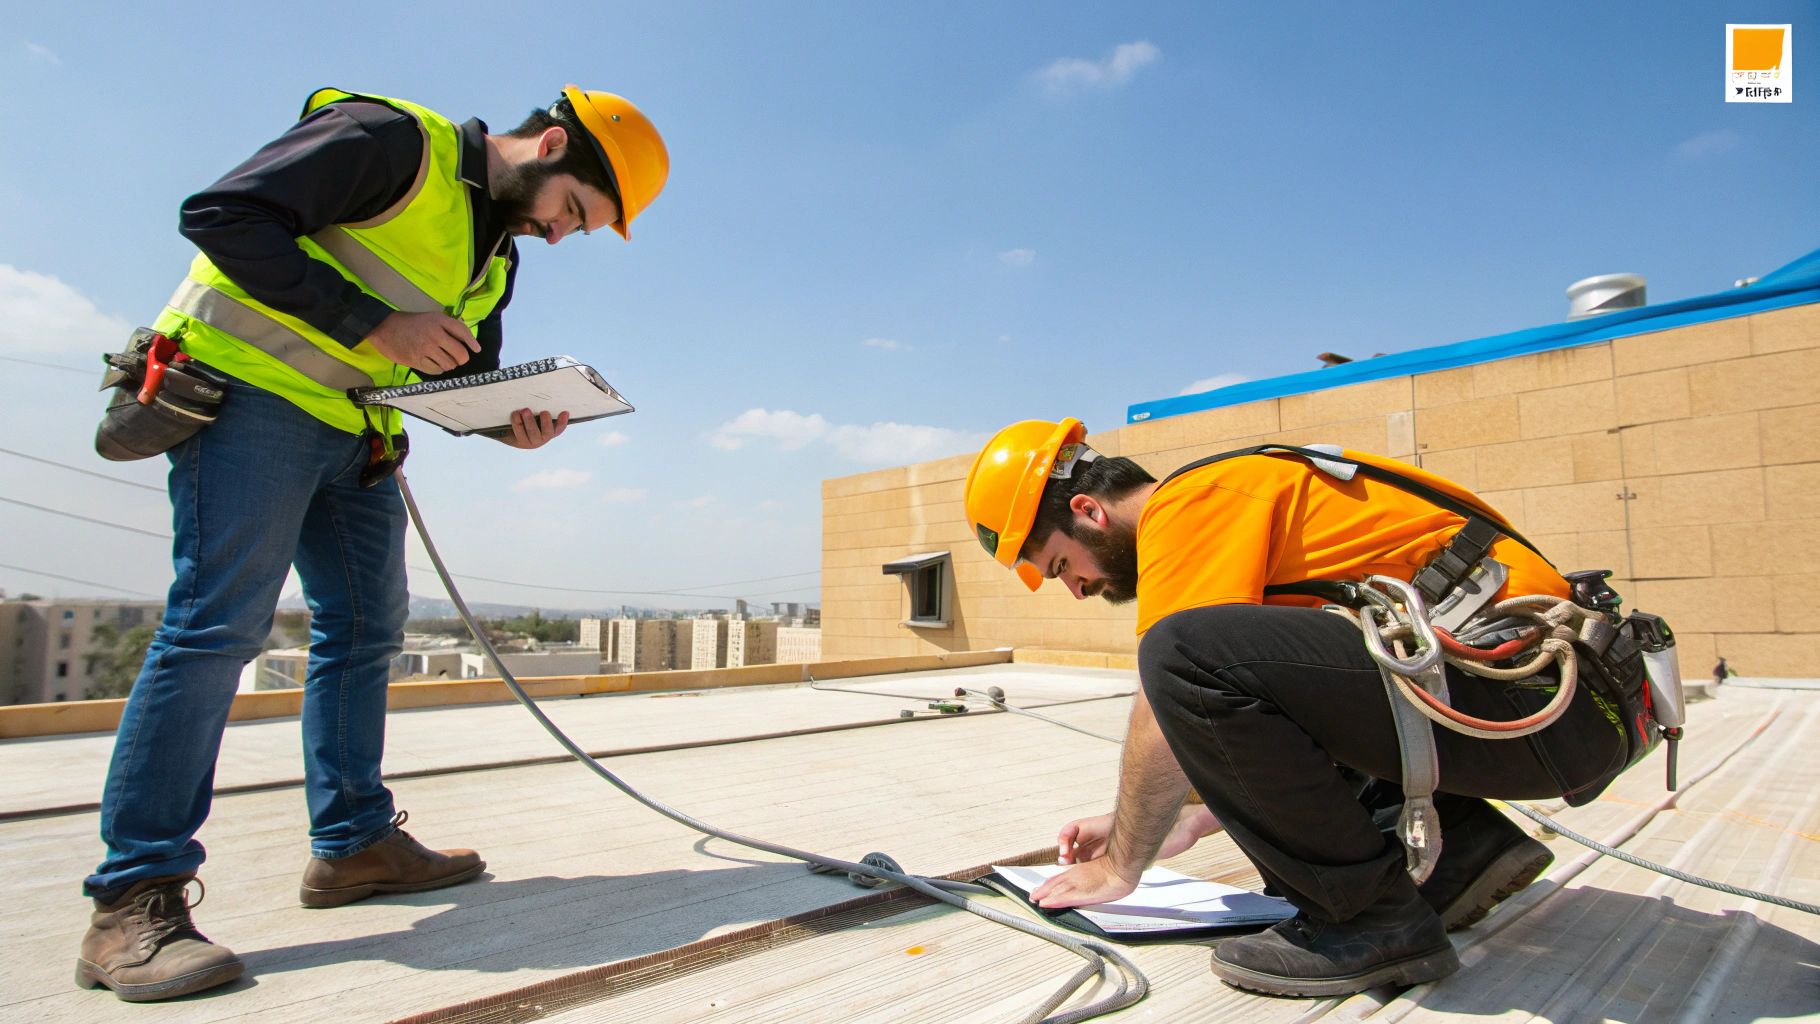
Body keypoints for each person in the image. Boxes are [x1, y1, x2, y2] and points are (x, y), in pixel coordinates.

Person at [76, 85, 669, 1002]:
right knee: (216, 631)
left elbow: (453, 371)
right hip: (251, 406)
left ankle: (353, 847)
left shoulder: (496, 256)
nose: (562, 235)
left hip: (356, 436)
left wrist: (504, 423)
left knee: (365, 631)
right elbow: (223, 214)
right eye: (575, 212)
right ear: (551, 145)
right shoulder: (393, 142)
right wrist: (373, 324)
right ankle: (132, 900)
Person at [963, 419, 1638, 998]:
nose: (1078, 591)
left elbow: (1171, 692)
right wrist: (1185, 818)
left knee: (1177, 651)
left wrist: (1121, 865)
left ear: (1089, 510)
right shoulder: (1249, 500)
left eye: (1060, 566)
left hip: (1537, 702)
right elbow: (1278, 705)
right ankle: (1462, 855)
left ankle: (1368, 921)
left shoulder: (1190, 503)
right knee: (1230, 659)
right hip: (1557, 709)